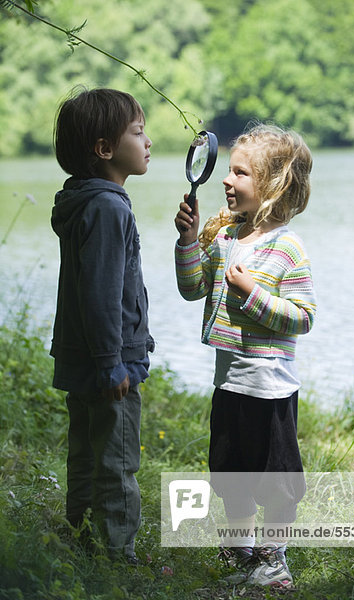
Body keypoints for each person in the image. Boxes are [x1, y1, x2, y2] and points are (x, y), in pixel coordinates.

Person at [174, 123, 316, 588]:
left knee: (275, 481)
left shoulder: (288, 248)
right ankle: (241, 550)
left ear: (273, 186)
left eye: (241, 173)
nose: (227, 181)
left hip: (269, 388)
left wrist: (252, 293)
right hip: (228, 383)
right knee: (229, 471)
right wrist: (189, 242)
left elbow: (302, 317)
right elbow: (193, 289)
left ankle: (274, 559)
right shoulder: (225, 238)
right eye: (229, 171)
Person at [50, 87, 155, 564]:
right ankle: (118, 557)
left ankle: (82, 539)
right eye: (138, 131)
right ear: (104, 149)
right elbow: (101, 294)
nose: (147, 140)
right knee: (117, 459)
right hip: (109, 360)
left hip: (81, 352)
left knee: (86, 454)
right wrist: (112, 362)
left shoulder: (84, 202)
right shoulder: (110, 208)